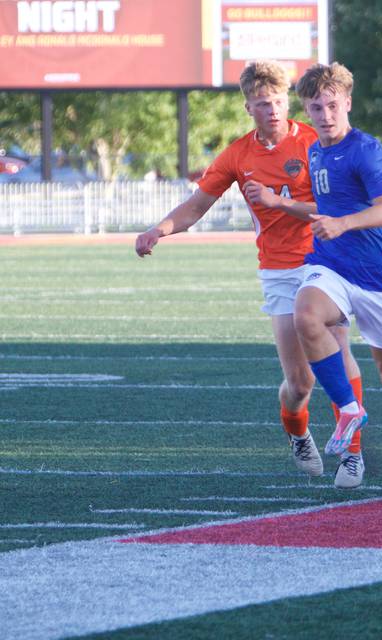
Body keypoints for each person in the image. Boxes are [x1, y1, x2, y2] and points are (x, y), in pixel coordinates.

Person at [134, 60, 365, 489]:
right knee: (300, 382)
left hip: (326, 259)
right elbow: (195, 207)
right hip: (278, 270)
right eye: (263, 103)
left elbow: (341, 206)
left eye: (278, 101)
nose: (273, 110)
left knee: (338, 345)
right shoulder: (239, 155)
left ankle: (352, 453)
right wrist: (158, 230)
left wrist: (283, 205)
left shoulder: (316, 139)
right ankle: (298, 433)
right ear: (248, 108)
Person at [291, 61, 382, 499]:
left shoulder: (365, 149)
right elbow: (325, 207)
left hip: (380, 279)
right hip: (332, 267)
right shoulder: (314, 150)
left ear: (347, 103)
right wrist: (279, 204)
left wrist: (343, 224)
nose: (325, 114)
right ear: (306, 110)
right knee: (305, 316)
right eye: (316, 107)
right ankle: (348, 409)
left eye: (332, 105)